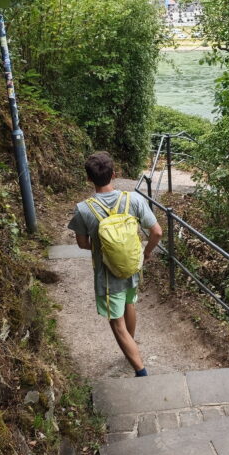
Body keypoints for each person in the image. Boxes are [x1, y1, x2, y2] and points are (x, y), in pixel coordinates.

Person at [68, 151, 162, 376]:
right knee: (130, 303)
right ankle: (131, 348)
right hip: (131, 266)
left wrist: (106, 248)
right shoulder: (134, 199)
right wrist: (145, 253)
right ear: (114, 174)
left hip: (107, 276)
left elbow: (82, 244)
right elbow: (157, 232)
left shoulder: (83, 209)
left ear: (89, 179)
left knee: (117, 323)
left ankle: (141, 371)